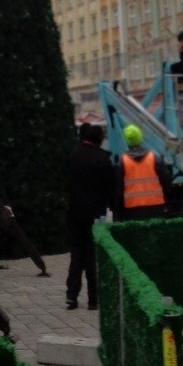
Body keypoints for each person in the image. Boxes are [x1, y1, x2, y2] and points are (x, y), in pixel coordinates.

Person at [65, 122, 115, 311]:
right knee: (92, 254)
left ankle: (71, 295)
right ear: (100, 139)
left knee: (76, 253)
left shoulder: (73, 155)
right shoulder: (103, 160)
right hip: (96, 214)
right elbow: (110, 189)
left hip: (74, 212)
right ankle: (93, 299)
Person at [114, 124, 172, 221]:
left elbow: (118, 190)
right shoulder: (154, 158)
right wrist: (167, 202)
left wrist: (118, 211)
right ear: (141, 138)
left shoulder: (122, 162)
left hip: (132, 208)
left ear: (127, 141)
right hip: (156, 205)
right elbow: (166, 183)